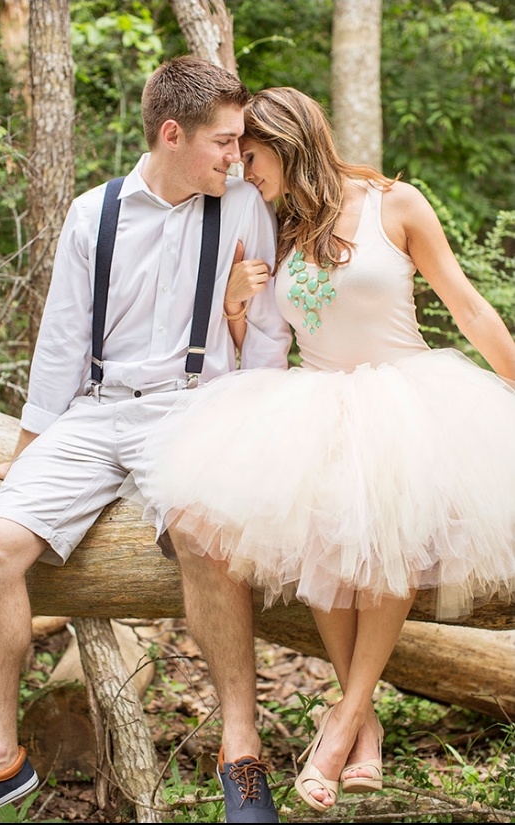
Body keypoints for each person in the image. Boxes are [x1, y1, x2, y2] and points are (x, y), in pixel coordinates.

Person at [122, 87, 515, 814]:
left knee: (389, 531)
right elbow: (262, 343)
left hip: (406, 398)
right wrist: (238, 305)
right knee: (327, 553)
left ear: (289, 139)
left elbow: (467, 304)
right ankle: (361, 725)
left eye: (252, 154)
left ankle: (340, 723)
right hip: (315, 401)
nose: (243, 168)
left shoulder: (396, 204)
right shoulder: (277, 226)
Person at [0, 58, 293, 825]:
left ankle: (240, 755)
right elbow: (58, 348)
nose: (235, 155)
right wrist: (24, 462)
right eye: (223, 141)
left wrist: (250, 430)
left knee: (202, 534)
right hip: (94, 410)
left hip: (194, 406)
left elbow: (270, 336)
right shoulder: (95, 212)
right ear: (171, 133)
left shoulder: (244, 206)